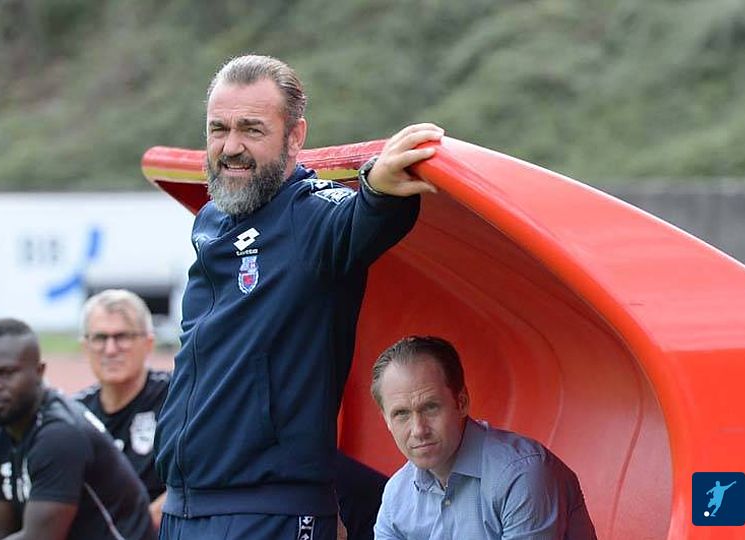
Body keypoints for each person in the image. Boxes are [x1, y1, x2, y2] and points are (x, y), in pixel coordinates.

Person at [154, 53, 444, 540]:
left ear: (295, 137)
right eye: (218, 129)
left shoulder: (311, 217)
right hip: (186, 510)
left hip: (268, 514)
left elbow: (360, 222)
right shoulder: (211, 220)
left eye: (251, 129)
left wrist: (378, 190)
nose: (231, 146)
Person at [0, 317, 156, 540]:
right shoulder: (5, 438)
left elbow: (39, 538)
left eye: (6, 373)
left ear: (39, 372)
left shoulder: (60, 435)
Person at [370, 336, 597, 539]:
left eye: (430, 407)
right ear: (386, 420)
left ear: (462, 403)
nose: (419, 430)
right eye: (401, 414)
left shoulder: (521, 475)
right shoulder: (396, 495)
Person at [73, 289, 169, 530]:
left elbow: (195, 483)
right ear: (85, 346)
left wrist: (135, 531)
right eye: (100, 338)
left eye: (123, 336)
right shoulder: (74, 414)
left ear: (148, 343)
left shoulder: (176, 399)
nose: (110, 349)